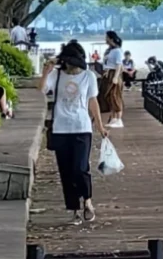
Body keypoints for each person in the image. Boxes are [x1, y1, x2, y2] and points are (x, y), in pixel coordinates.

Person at [41, 41, 107, 225]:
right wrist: (46, 71)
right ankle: (74, 210)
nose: (76, 67)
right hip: (61, 128)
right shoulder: (57, 75)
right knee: (66, 171)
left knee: (80, 167)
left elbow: (93, 101)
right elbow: (41, 90)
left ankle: (87, 200)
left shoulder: (88, 76)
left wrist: (100, 127)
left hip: (82, 127)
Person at [98, 31, 125, 128]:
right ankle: (113, 117)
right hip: (107, 73)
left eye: (107, 37)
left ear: (111, 39)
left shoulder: (118, 51)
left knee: (115, 95)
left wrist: (116, 77)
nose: (105, 39)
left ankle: (119, 118)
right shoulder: (110, 50)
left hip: (113, 73)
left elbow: (119, 65)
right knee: (108, 96)